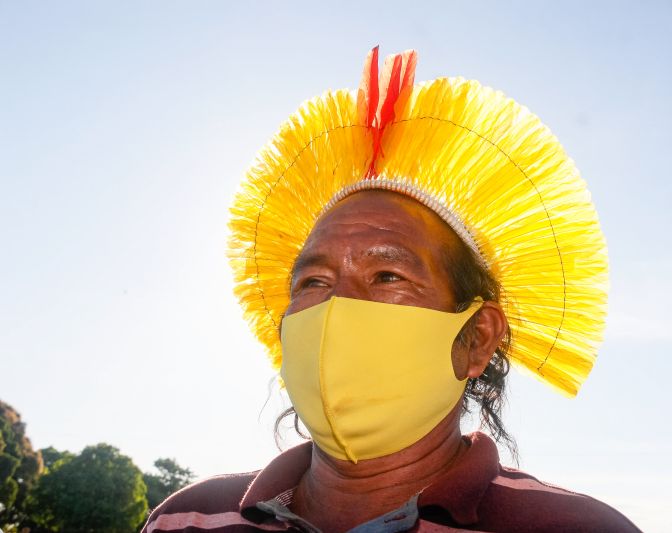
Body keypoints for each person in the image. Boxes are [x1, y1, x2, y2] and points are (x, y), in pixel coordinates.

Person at [142, 48, 642, 532]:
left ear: (477, 337)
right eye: (313, 281)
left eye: (387, 277)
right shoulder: (185, 519)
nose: (337, 307)